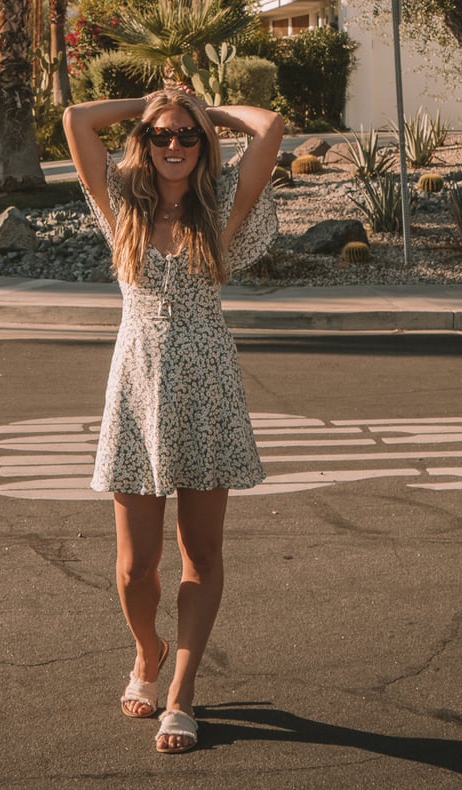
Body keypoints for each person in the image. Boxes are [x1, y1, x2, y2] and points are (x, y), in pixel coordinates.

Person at [63, 88, 284, 755]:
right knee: (135, 568)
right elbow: (75, 122)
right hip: (136, 388)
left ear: (204, 143)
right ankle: (147, 651)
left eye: (187, 137)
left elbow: (271, 127)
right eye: (163, 136)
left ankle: (182, 693)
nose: (175, 147)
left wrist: (200, 110)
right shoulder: (121, 205)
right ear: (145, 142)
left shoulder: (222, 208)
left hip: (208, 386)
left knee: (203, 554)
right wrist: (152, 102)